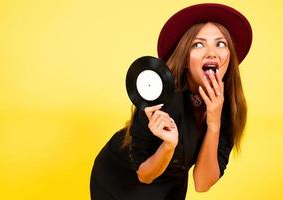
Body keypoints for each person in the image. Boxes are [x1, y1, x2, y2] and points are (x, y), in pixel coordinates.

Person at [90, 3, 252, 200]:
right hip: (120, 178)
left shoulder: (229, 108)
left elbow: (202, 183)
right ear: (185, 60)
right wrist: (168, 146)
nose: (212, 52)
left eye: (221, 43)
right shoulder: (160, 94)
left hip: (172, 182)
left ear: (229, 56)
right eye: (198, 44)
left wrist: (214, 123)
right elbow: (145, 175)